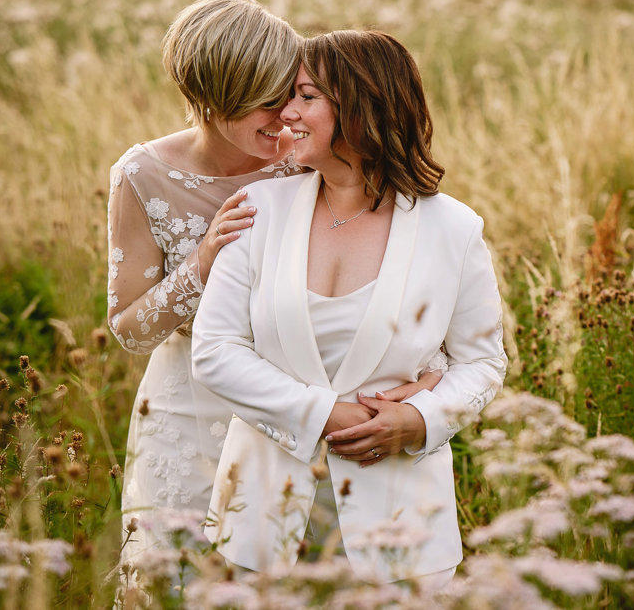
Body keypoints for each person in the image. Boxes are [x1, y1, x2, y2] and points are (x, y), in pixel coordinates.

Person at [105, 0, 439, 572]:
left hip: (300, 411)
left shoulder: (307, 157)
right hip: (188, 412)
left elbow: (388, 261)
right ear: (215, 96)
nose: (284, 114)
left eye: (291, 93)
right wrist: (202, 263)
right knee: (178, 580)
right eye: (265, 100)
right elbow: (130, 330)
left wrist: (427, 375)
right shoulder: (143, 175)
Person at [192, 30, 507, 588]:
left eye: (307, 96)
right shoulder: (258, 210)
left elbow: (482, 363)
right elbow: (214, 351)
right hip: (260, 520)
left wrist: (420, 420)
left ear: (363, 107)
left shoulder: (453, 229)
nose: (286, 113)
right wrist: (321, 415)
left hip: (400, 522)